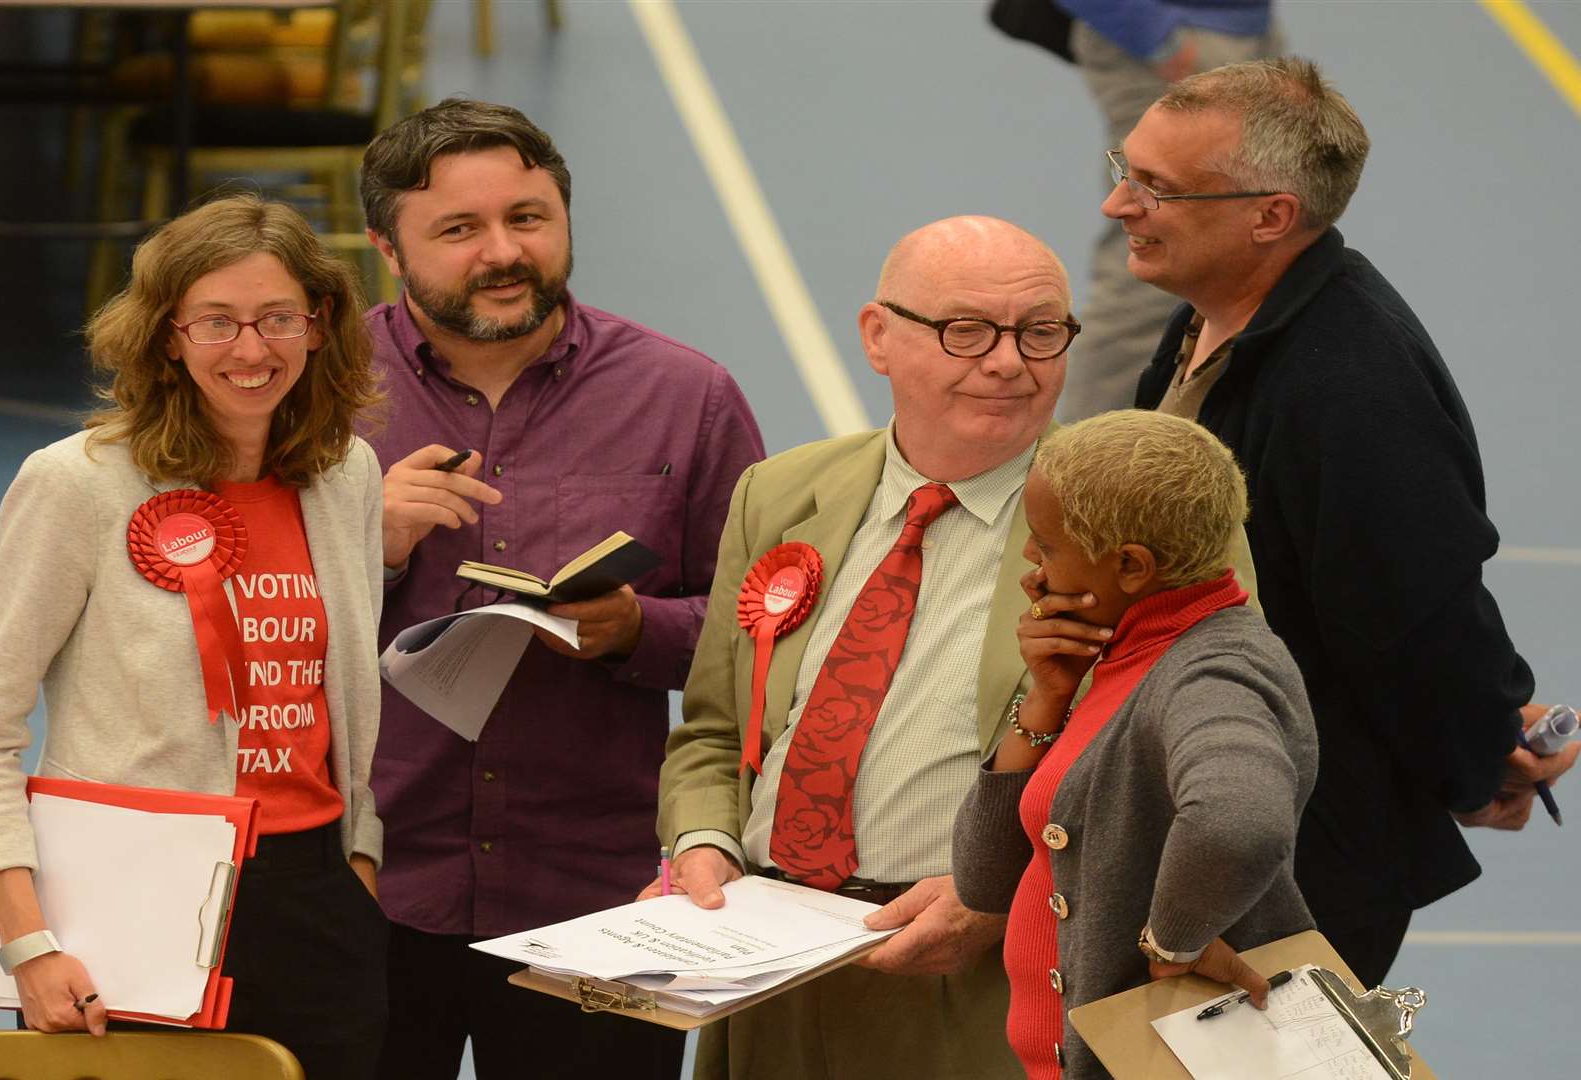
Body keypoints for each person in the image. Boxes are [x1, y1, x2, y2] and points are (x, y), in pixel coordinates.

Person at [1107, 57, 1581, 985]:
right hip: (1205, 803)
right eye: (1123, 169)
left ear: (1271, 215)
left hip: (1291, 861)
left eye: (1156, 188)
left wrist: (1480, 756)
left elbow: (1411, 619)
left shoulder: (1353, 386)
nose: (1118, 205)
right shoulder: (1218, 313)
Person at [0, 194, 390, 1079]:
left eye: (277, 318)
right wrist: (31, 945)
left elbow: (349, 703)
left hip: (316, 899)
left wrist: (357, 863)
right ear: (167, 335)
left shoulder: (346, 476)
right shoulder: (75, 485)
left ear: (320, 325)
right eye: (217, 322)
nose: (252, 351)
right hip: (132, 910)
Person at [357, 98, 764, 1080]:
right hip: (364, 886)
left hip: (600, 898)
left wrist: (636, 631)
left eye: (527, 219)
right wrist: (360, 545)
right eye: (458, 229)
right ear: (388, 248)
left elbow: (767, 627)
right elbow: (237, 630)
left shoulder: (685, 396)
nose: (503, 251)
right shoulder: (322, 398)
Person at [659, 216, 1083, 1080]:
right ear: (877, 336)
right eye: (966, 331)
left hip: (985, 983)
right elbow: (711, 730)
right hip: (769, 969)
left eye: (1040, 332)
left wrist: (1000, 897)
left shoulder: (1124, 521)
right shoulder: (779, 493)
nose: (1008, 362)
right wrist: (703, 841)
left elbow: (1163, 776)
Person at [952, 409, 1317, 1079]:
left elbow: (1240, 822)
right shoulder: (1127, 652)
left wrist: (1172, 944)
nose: (1031, 562)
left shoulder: (1213, 672)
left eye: (1048, 544)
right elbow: (985, 880)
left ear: (1129, 565)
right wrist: (1046, 701)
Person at [1051, 0, 1281, 420]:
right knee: (1154, 254)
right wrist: (1156, 37)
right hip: (1175, 38)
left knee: (1254, 250)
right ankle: (1074, 470)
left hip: (1242, 29)